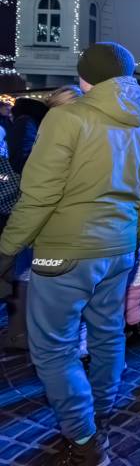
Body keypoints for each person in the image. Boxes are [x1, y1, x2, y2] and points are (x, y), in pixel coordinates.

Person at [0, 42, 140, 465]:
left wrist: (6, 248)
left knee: (53, 348)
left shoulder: (67, 117)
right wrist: (129, 239)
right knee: (107, 335)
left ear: (85, 77)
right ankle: (99, 414)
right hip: (118, 250)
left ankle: (84, 438)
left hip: (65, 251)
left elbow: (39, 195)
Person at [0, 97, 48, 351]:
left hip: (25, 209)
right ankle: (20, 332)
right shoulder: (30, 124)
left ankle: (19, 333)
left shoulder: (24, 124)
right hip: (26, 208)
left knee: (22, 271)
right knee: (23, 271)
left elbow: (23, 160)